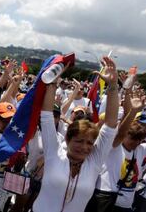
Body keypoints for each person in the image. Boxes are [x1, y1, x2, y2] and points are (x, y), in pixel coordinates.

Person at [32, 56, 120, 212]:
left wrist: (113, 86)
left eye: (89, 143)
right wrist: (53, 80)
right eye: (79, 141)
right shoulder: (54, 153)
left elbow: (111, 124)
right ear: (67, 139)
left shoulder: (94, 162)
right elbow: (46, 115)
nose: (85, 147)